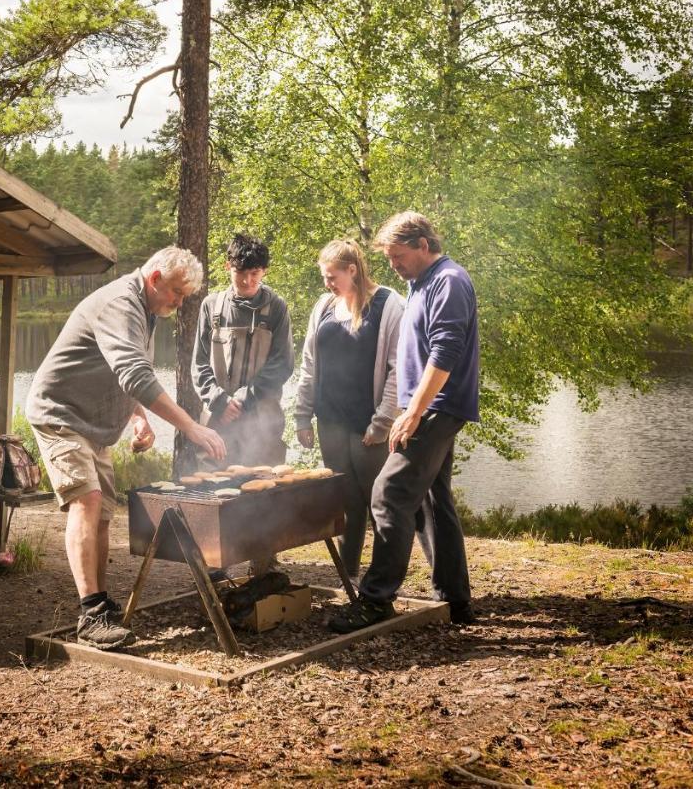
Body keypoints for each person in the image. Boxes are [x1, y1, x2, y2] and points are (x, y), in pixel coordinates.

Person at [26, 247, 227, 650]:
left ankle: (98, 602)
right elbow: (135, 374)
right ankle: (90, 614)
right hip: (61, 414)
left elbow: (125, 371)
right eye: (175, 291)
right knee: (87, 500)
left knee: (101, 514)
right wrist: (188, 426)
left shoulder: (144, 308)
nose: (179, 301)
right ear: (154, 279)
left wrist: (138, 416)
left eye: (184, 295)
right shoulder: (121, 303)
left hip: (92, 423)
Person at [330, 211, 479, 633]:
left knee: (388, 493)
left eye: (399, 256)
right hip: (427, 407)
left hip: (435, 408)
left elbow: (446, 351)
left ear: (423, 245)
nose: (393, 264)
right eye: (390, 258)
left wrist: (413, 413)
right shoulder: (420, 284)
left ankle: (376, 600)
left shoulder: (449, 281)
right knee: (433, 500)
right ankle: (455, 598)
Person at [293, 239, 406, 579]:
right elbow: (309, 363)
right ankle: (349, 574)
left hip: (367, 424)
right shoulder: (325, 305)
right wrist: (302, 414)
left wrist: (383, 421)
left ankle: (383, 579)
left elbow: (398, 368)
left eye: (332, 276)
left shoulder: (388, 305)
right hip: (329, 421)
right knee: (345, 501)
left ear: (352, 270)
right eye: (324, 277)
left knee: (379, 503)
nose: (327, 284)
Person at [192, 232, 293, 577]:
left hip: (262, 418)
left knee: (262, 488)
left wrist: (245, 397)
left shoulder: (276, 308)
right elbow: (199, 364)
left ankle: (264, 566)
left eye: (255, 273)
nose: (248, 280)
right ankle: (215, 565)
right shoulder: (211, 306)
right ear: (228, 268)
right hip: (217, 420)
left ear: (264, 272)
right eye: (241, 273)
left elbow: (283, 364)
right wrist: (219, 400)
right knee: (216, 488)